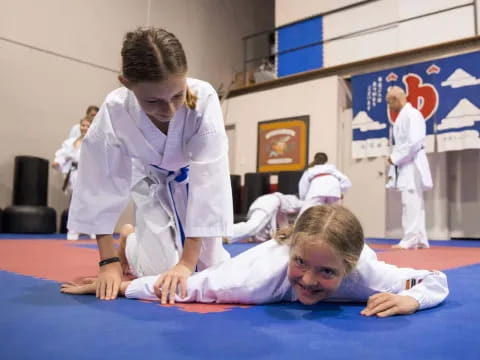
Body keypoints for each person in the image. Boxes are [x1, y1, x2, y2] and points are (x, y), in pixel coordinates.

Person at [67, 27, 233, 302]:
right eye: (153, 100)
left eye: (177, 96)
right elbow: (99, 184)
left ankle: (144, 242)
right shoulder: (115, 109)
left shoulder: (203, 98)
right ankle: (129, 241)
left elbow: (210, 181)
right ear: (126, 82)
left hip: (191, 180)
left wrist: (187, 263)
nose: (168, 110)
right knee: (158, 271)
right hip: (149, 180)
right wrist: (108, 263)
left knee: (209, 271)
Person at [61, 205, 449, 317]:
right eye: (302, 263)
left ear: (348, 267)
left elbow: (435, 279)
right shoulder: (259, 278)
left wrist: (412, 299)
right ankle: (129, 237)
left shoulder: (369, 275)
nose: (310, 280)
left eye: (327, 272)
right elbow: (194, 287)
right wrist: (125, 286)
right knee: (151, 263)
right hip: (249, 261)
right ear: (292, 250)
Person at [385, 86, 433, 249]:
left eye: (389, 103)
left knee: (410, 200)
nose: (389, 107)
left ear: (396, 99)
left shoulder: (412, 115)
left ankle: (410, 239)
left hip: (412, 163)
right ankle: (420, 238)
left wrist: (395, 158)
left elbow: (414, 143)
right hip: (407, 162)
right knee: (414, 201)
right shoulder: (404, 116)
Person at [52, 118, 95, 240]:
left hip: (89, 174)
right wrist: (57, 162)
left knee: (89, 202)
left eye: (87, 126)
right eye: (83, 125)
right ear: (79, 126)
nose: (85, 128)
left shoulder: (95, 141)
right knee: (74, 202)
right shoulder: (71, 142)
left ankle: (92, 230)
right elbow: (62, 154)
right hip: (74, 174)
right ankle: (73, 230)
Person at [228, 192, 303, 243]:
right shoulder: (302, 203)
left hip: (270, 208)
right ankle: (223, 234)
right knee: (252, 227)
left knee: (259, 237)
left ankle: (226, 235)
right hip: (270, 202)